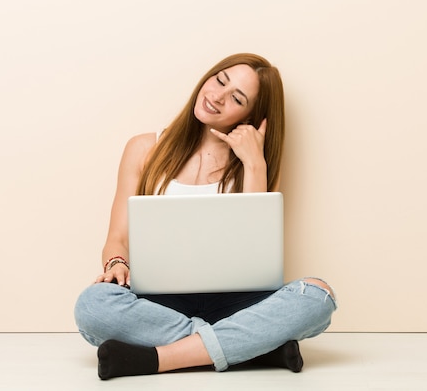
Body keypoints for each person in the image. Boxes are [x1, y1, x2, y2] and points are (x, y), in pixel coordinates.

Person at [74, 53, 337, 380]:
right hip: (159, 302)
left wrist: (255, 164)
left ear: (250, 116)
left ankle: (158, 359)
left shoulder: (255, 161)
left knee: (318, 296)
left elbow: (256, 253)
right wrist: (116, 264)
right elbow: (118, 239)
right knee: (92, 304)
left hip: (238, 301)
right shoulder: (144, 148)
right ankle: (253, 347)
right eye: (220, 80)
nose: (217, 96)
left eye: (236, 98)